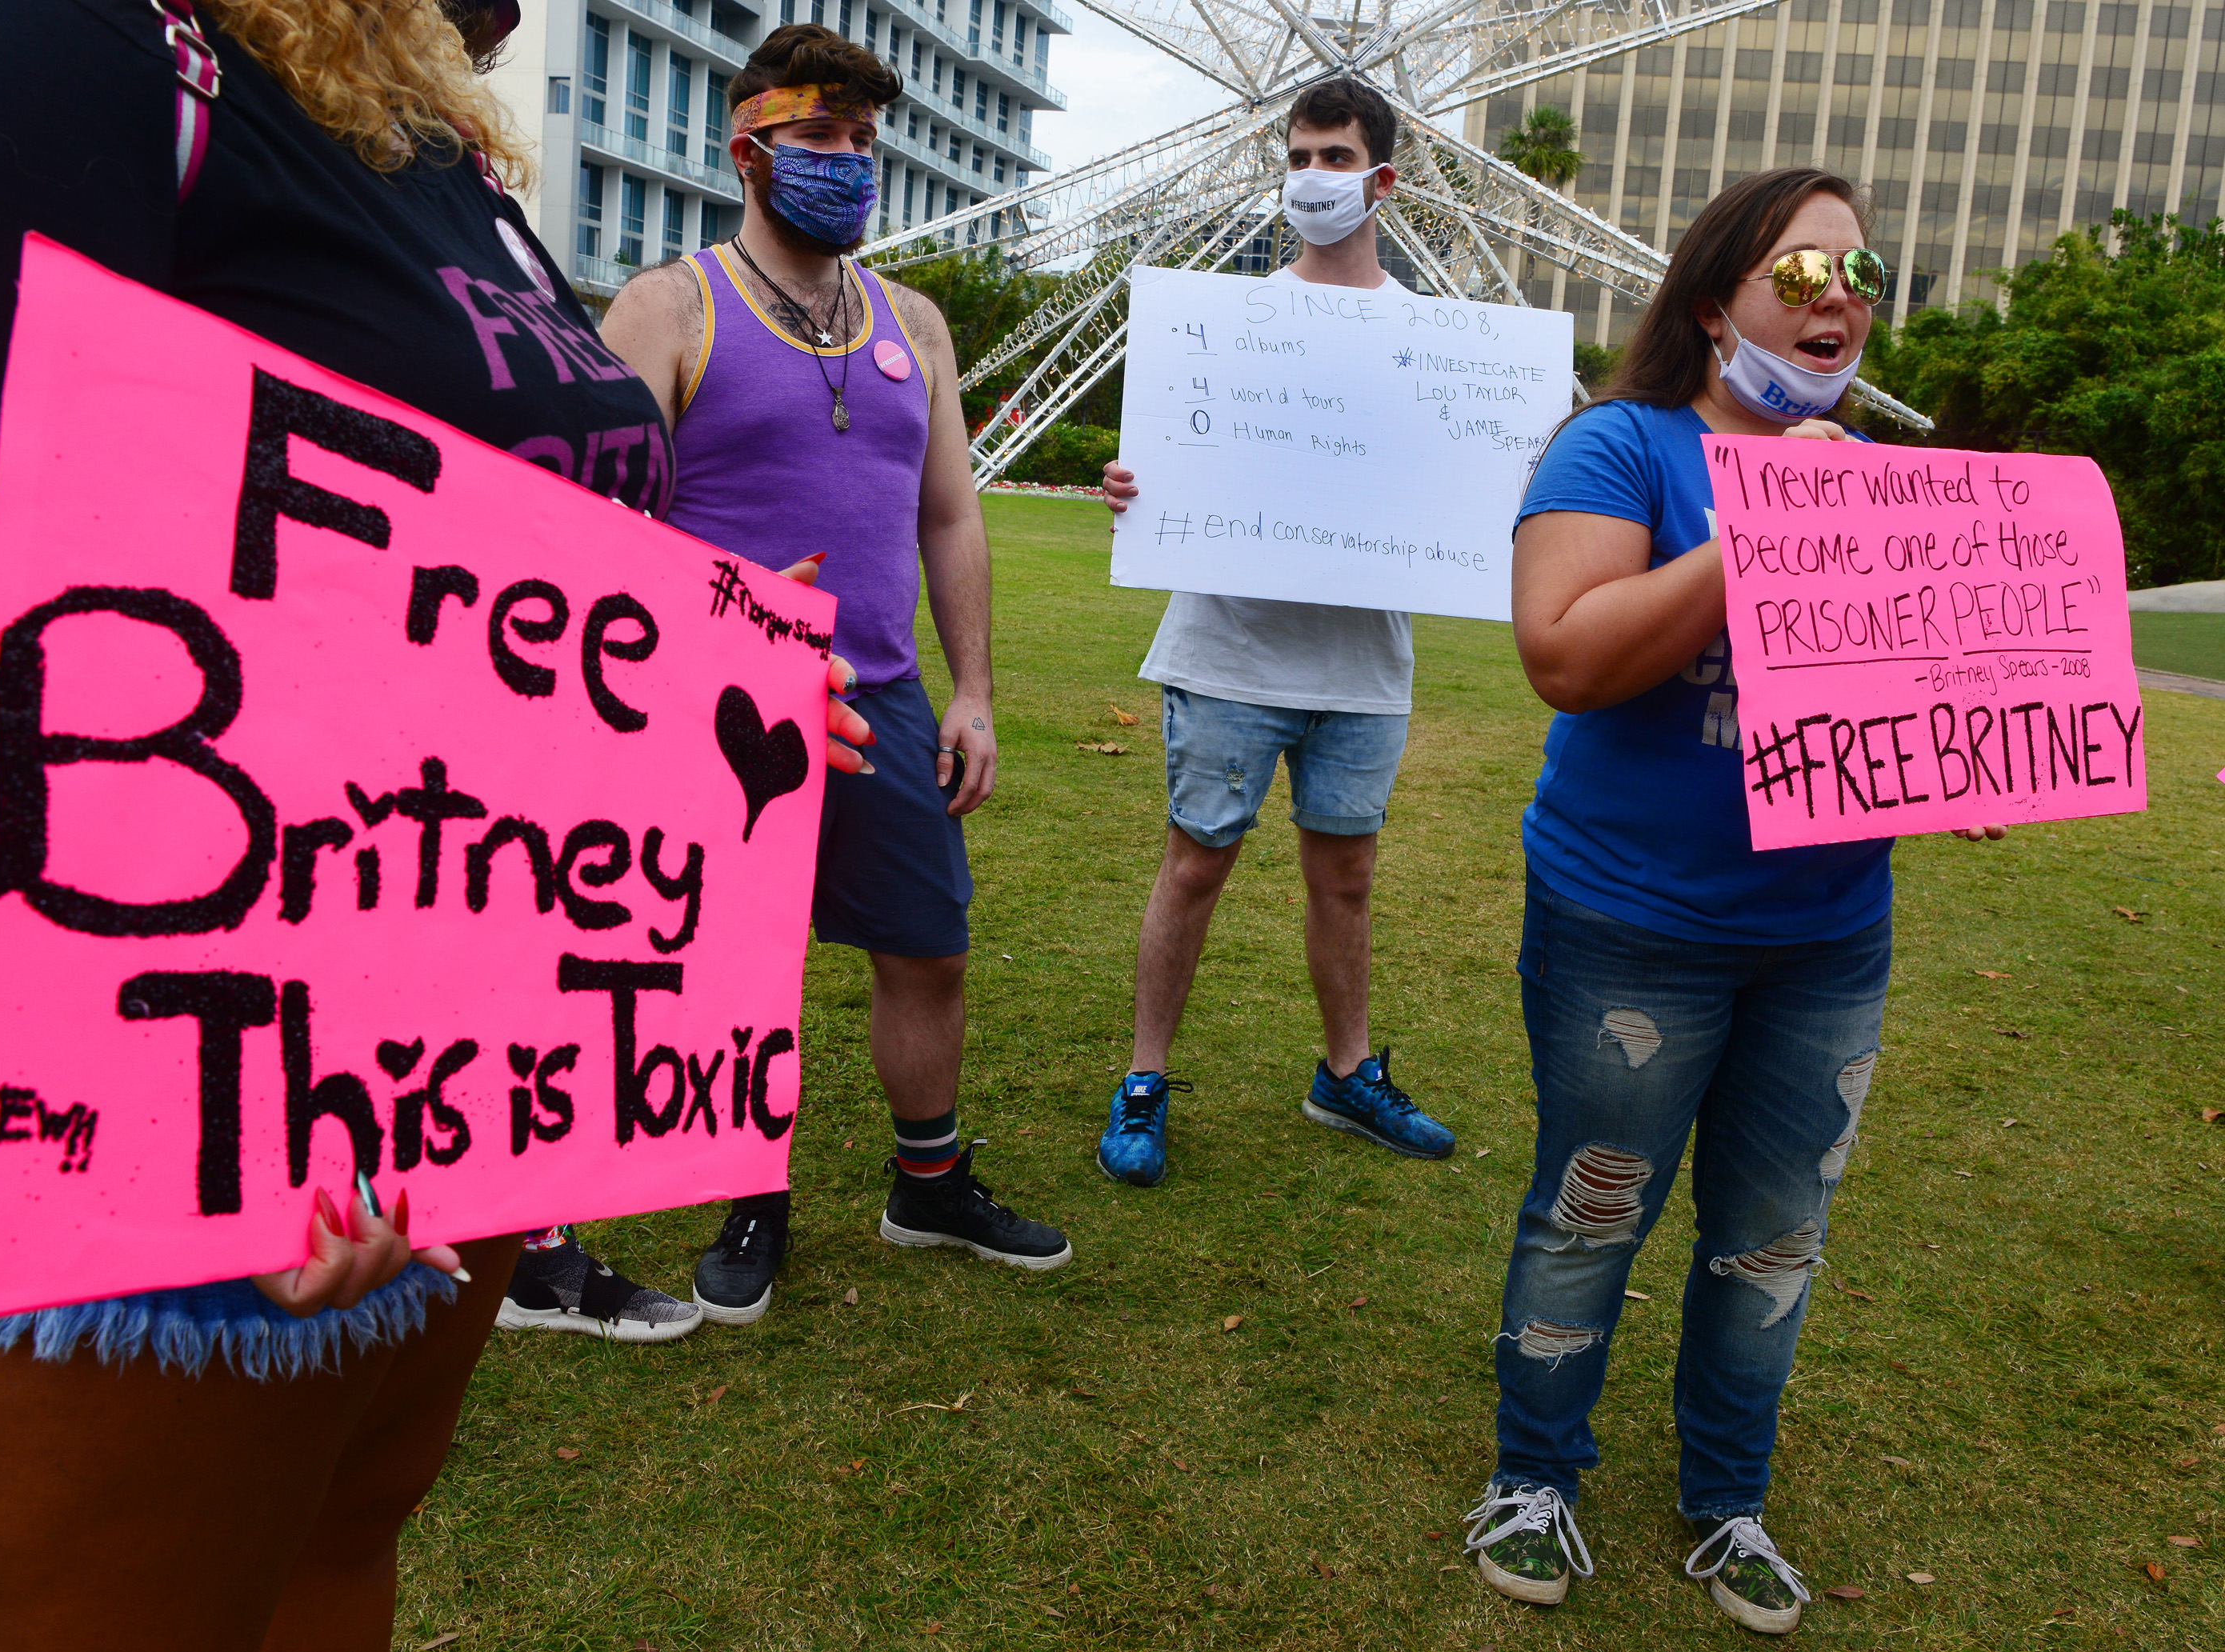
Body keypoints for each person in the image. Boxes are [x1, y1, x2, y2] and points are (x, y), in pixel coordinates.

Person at [0, 2, 869, 1644]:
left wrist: (693, 694)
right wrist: (268, 1083)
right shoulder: (34, 39)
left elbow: (451, 577)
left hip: (438, 1039)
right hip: (173, 1051)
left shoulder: (417, 130)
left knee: (334, 1539)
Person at [1458, 167, 2004, 1636]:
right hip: (1632, 921)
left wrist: (1974, 735)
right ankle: (1535, 1473)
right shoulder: (1619, 448)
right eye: (1803, 273)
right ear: (1716, 304)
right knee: (1593, 1211)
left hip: (1826, 940)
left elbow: (1916, 708)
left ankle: (1728, 1497)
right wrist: (1767, 534)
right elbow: (1565, 654)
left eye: (1860, 274)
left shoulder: (1892, 484)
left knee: (1775, 1233)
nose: (1842, 301)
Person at [598, 24, 1070, 1327]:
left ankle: (929, 1182)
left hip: (885, 695)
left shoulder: (912, 320)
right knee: (735, 967)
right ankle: (754, 1191)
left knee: (929, 947)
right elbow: (612, 523)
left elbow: (952, 517)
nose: (850, 164)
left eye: (865, 140)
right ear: (750, 149)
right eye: (822, 139)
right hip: (726, 703)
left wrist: (970, 690)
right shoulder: (669, 305)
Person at [1092, 78, 1457, 1188]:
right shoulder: (1222, 326)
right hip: (1229, 652)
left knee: (1346, 874)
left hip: (1361, 664)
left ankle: (1345, 1072)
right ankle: (1146, 1078)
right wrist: (1138, 487)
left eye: (1337, 157)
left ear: (1381, 181)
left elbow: (1460, 490)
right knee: (1196, 862)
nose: (1314, 176)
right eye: (1299, 154)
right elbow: (1176, 462)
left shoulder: (1435, 341)